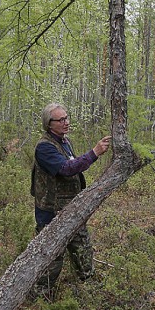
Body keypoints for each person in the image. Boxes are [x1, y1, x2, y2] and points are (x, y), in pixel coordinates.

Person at [31, 103, 111, 288]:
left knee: (82, 247)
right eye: (61, 119)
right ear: (49, 124)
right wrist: (94, 153)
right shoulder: (44, 147)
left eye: (66, 118)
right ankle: (42, 295)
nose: (66, 122)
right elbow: (66, 169)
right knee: (51, 257)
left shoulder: (65, 141)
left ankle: (88, 285)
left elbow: (73, 166)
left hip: (71, 207)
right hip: (51, 211)